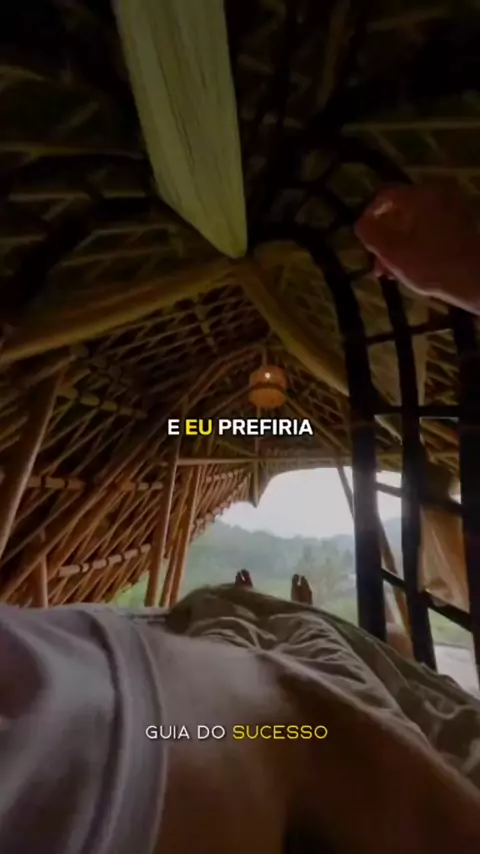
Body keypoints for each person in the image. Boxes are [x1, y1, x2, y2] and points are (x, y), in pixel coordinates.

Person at [1, 575, 480, 854]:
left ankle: (250, 608)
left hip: (252, 714)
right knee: (310, 652)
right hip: (267, 716)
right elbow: (298, 721)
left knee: (248, 641)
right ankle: (271, 610)